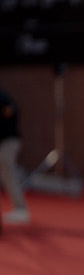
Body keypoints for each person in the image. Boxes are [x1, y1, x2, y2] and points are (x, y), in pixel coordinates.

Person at [0, 89, 30, 224]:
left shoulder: (3, 97)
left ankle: (20, 208)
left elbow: (12, 111)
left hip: (9, 140)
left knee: (5, 165)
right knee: (6, 172)